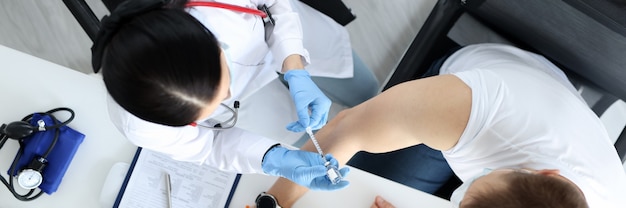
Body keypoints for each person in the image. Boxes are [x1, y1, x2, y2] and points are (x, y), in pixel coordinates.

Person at [263, 43, 626, 207]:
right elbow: (347, 129)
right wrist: (274, 203)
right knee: (347, 186)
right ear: (547, 174)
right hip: (477, 91)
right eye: (466, 194)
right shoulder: (476, 109)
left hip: (544, 112)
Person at [91, 0, 378, 190]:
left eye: (221, 84)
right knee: (316, 141)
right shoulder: (140, 124)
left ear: (209, 37)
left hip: (287, 39)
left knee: (368, 93)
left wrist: (295, 68)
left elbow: (275, 3)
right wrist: (275, 159)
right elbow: (208, 146)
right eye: (208, 109)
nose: (228, 93)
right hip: (255, 98)